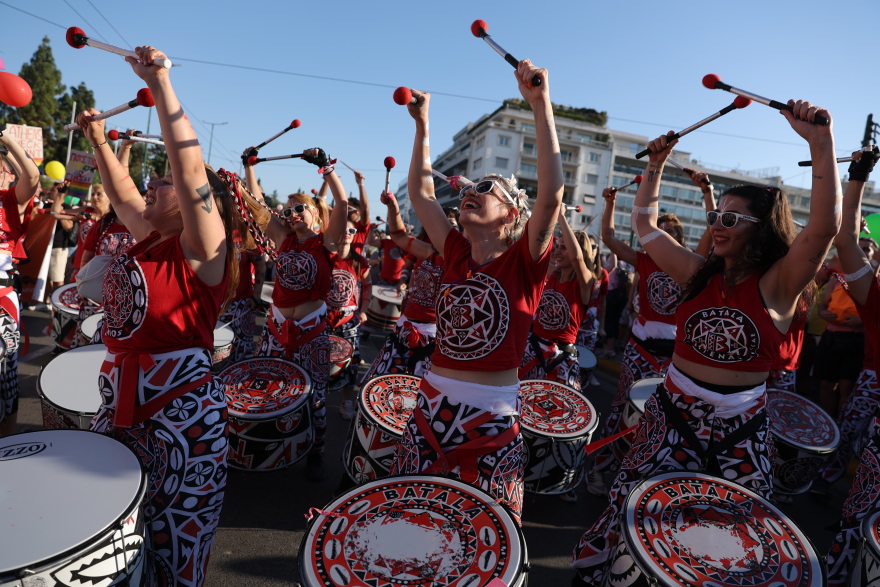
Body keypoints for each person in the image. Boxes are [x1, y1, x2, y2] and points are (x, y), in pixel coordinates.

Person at [572, 99, 841, 585]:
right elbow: (645, 227)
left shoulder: (779, 285)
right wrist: (653, 166)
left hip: (743, 423)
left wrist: (820, 143)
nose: (716, 225)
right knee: (633, 522)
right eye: (717, 215)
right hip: (671, 411)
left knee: (731, 541)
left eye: (732, 220)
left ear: (762, 231)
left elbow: (823, 227)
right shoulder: (697, 273)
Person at [78, 45, 246, 587]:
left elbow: (190, 166)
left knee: (174, 561)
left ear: (200, 205)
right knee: (104, 553)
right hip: (117, 410)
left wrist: (162, 82)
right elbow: (122, 192)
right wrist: (99, 140)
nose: (152, 184)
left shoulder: (201, 250)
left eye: (163, 183)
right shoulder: (148, 242)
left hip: (183, 424)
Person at [390, 59, 563, 524]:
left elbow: (550, 195)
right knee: (409, 524)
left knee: (484, 536)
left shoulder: (524, 262)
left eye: (486, 188)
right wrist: (423, 125)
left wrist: (539, 102)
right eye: (469, 185)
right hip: (430, 404)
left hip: (493, 416)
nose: (471, 189)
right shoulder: (455, 252)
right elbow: (422, 194)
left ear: (510, 216)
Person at [586, 175, 714, 494]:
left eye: (670, 234)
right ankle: (602, 469)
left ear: (679, 239)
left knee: (662, 418)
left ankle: (643, 478)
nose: (663, 239)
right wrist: (610, 203)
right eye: (659, 233)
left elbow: (713, 232)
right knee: (622, 408)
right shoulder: (643, 260)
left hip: (674, 358)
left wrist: (708, 192)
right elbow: (609, 238)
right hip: (640, 350)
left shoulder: (691, 265)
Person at [245, 153, 348, 481]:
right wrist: (249, 168)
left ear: (317, 214)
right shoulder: (285, 239)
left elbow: (342, 203)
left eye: (298, 208)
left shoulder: (326, 242)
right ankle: (264, 444)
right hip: (275, 328)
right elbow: (258, 207)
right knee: (264, 387)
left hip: (311, 333)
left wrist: (328, 171)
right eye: (288, 211)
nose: (291, 214)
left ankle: (315, 451)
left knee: (315, 396)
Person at [824, 147, 880, 586]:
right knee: (860, 514)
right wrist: (857, 177)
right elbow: (844, 241)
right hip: (872, 379)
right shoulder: (875, 294)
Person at [362, 189, 445, 382]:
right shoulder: (430, 252)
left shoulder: (466, 259)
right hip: (404, 327)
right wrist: (393, 207)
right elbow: (399, 236)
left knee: (417, 393)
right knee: (383, 389)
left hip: (435, 336)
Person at [520, 210, 594, 393]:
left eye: (563, 247)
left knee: (553, 415)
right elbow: (533, 251)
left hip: (561, 357)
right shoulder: (552, 274)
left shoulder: (585, 282)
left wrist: (561, 216)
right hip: (532, 349)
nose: (556, 251)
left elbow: (577, 258)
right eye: (557, 246)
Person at [0, 129, 40, 437]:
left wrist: (4, 137)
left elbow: (32, 174)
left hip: (2, 298)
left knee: (4, 379)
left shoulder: (12, 201)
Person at [328, 218, 371, 420]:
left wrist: (364, 309)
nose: (347, 232)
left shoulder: (360, 261)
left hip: (349, 318)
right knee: (320, 359)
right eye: (343, 228)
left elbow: (368, 287)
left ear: (355, 235)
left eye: (351, 230)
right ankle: (314, 399)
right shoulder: (326, 257)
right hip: (324, 316)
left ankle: (346, 402)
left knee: (350, 362)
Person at [218, 236, 266, 362]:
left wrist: (257, 295)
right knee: (215, 354)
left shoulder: (243, 235)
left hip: (242, 305)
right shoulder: (207, 231)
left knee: (242, 353)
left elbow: (260, 265)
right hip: (213, 304)